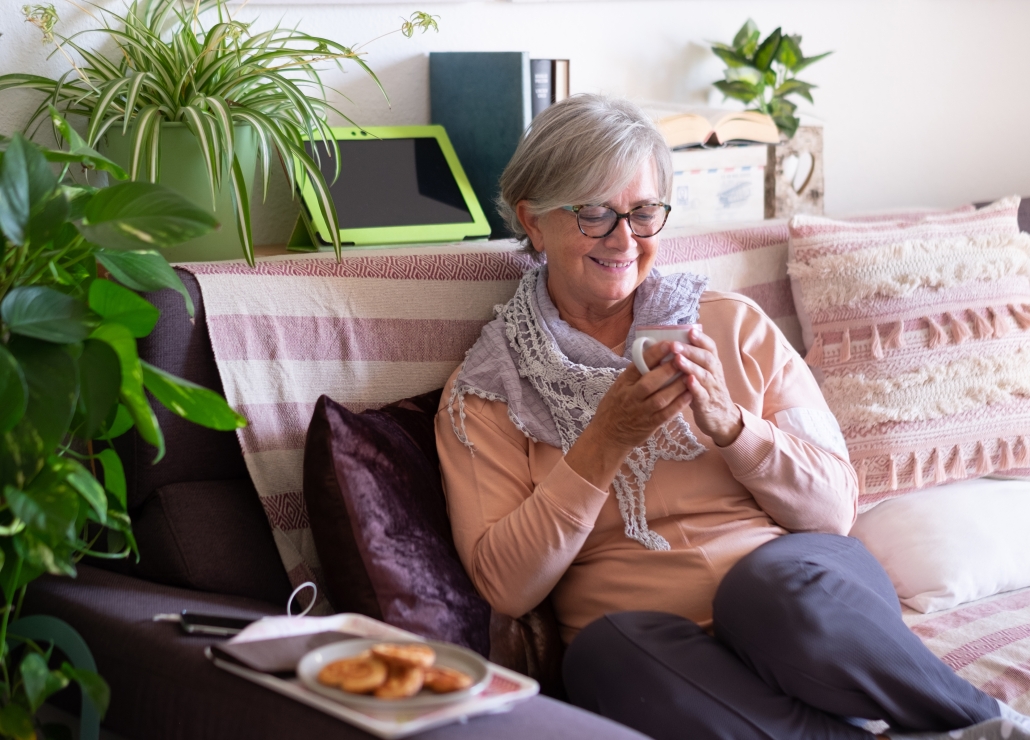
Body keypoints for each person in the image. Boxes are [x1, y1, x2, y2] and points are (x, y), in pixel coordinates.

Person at [433, 94, 1030, 740]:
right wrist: (603, 443)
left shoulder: (733, 325)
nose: (624, 239)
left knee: (762, 592)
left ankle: (992, 726)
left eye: (642, 212)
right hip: (653, 644)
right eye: (595, 213)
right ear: (533, 220)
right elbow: (506, 586)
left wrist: (735, 428)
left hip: (804, 602)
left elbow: (835, 508)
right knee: (603, 655)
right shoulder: (488, 392)